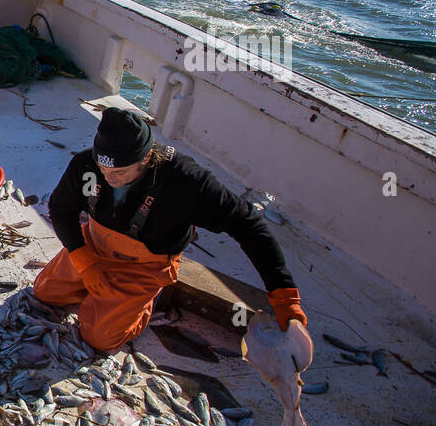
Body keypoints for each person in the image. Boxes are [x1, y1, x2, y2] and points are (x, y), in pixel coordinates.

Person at [33, 108, 306, 353]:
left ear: (147, 157)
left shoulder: (188, 182)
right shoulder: (87, 165)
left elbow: (249, 225)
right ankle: (103, 294)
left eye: (120, 171)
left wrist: (283, 295)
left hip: (143, 264)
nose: (109, 177)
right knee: (45, 293)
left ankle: (145, 303)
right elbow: (61, 208)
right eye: (103, 168)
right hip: (94, 244)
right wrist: (84, 259)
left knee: (99, 339)